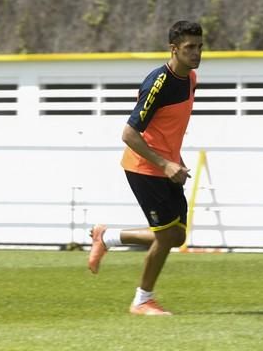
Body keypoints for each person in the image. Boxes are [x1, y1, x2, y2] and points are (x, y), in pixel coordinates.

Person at [87, 20, 203, 316]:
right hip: (144, 167)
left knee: (177, 235)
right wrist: (164, 163)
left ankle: (107, 236)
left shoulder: (191, 79)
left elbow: (167, 126)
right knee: (166, 236)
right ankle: (142, 300)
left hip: (169, 166)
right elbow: (129, 134)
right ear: (173, 49)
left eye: (200, 47)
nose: (196, 53)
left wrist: (176, 159)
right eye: (190, 47)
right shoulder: (158, 83)